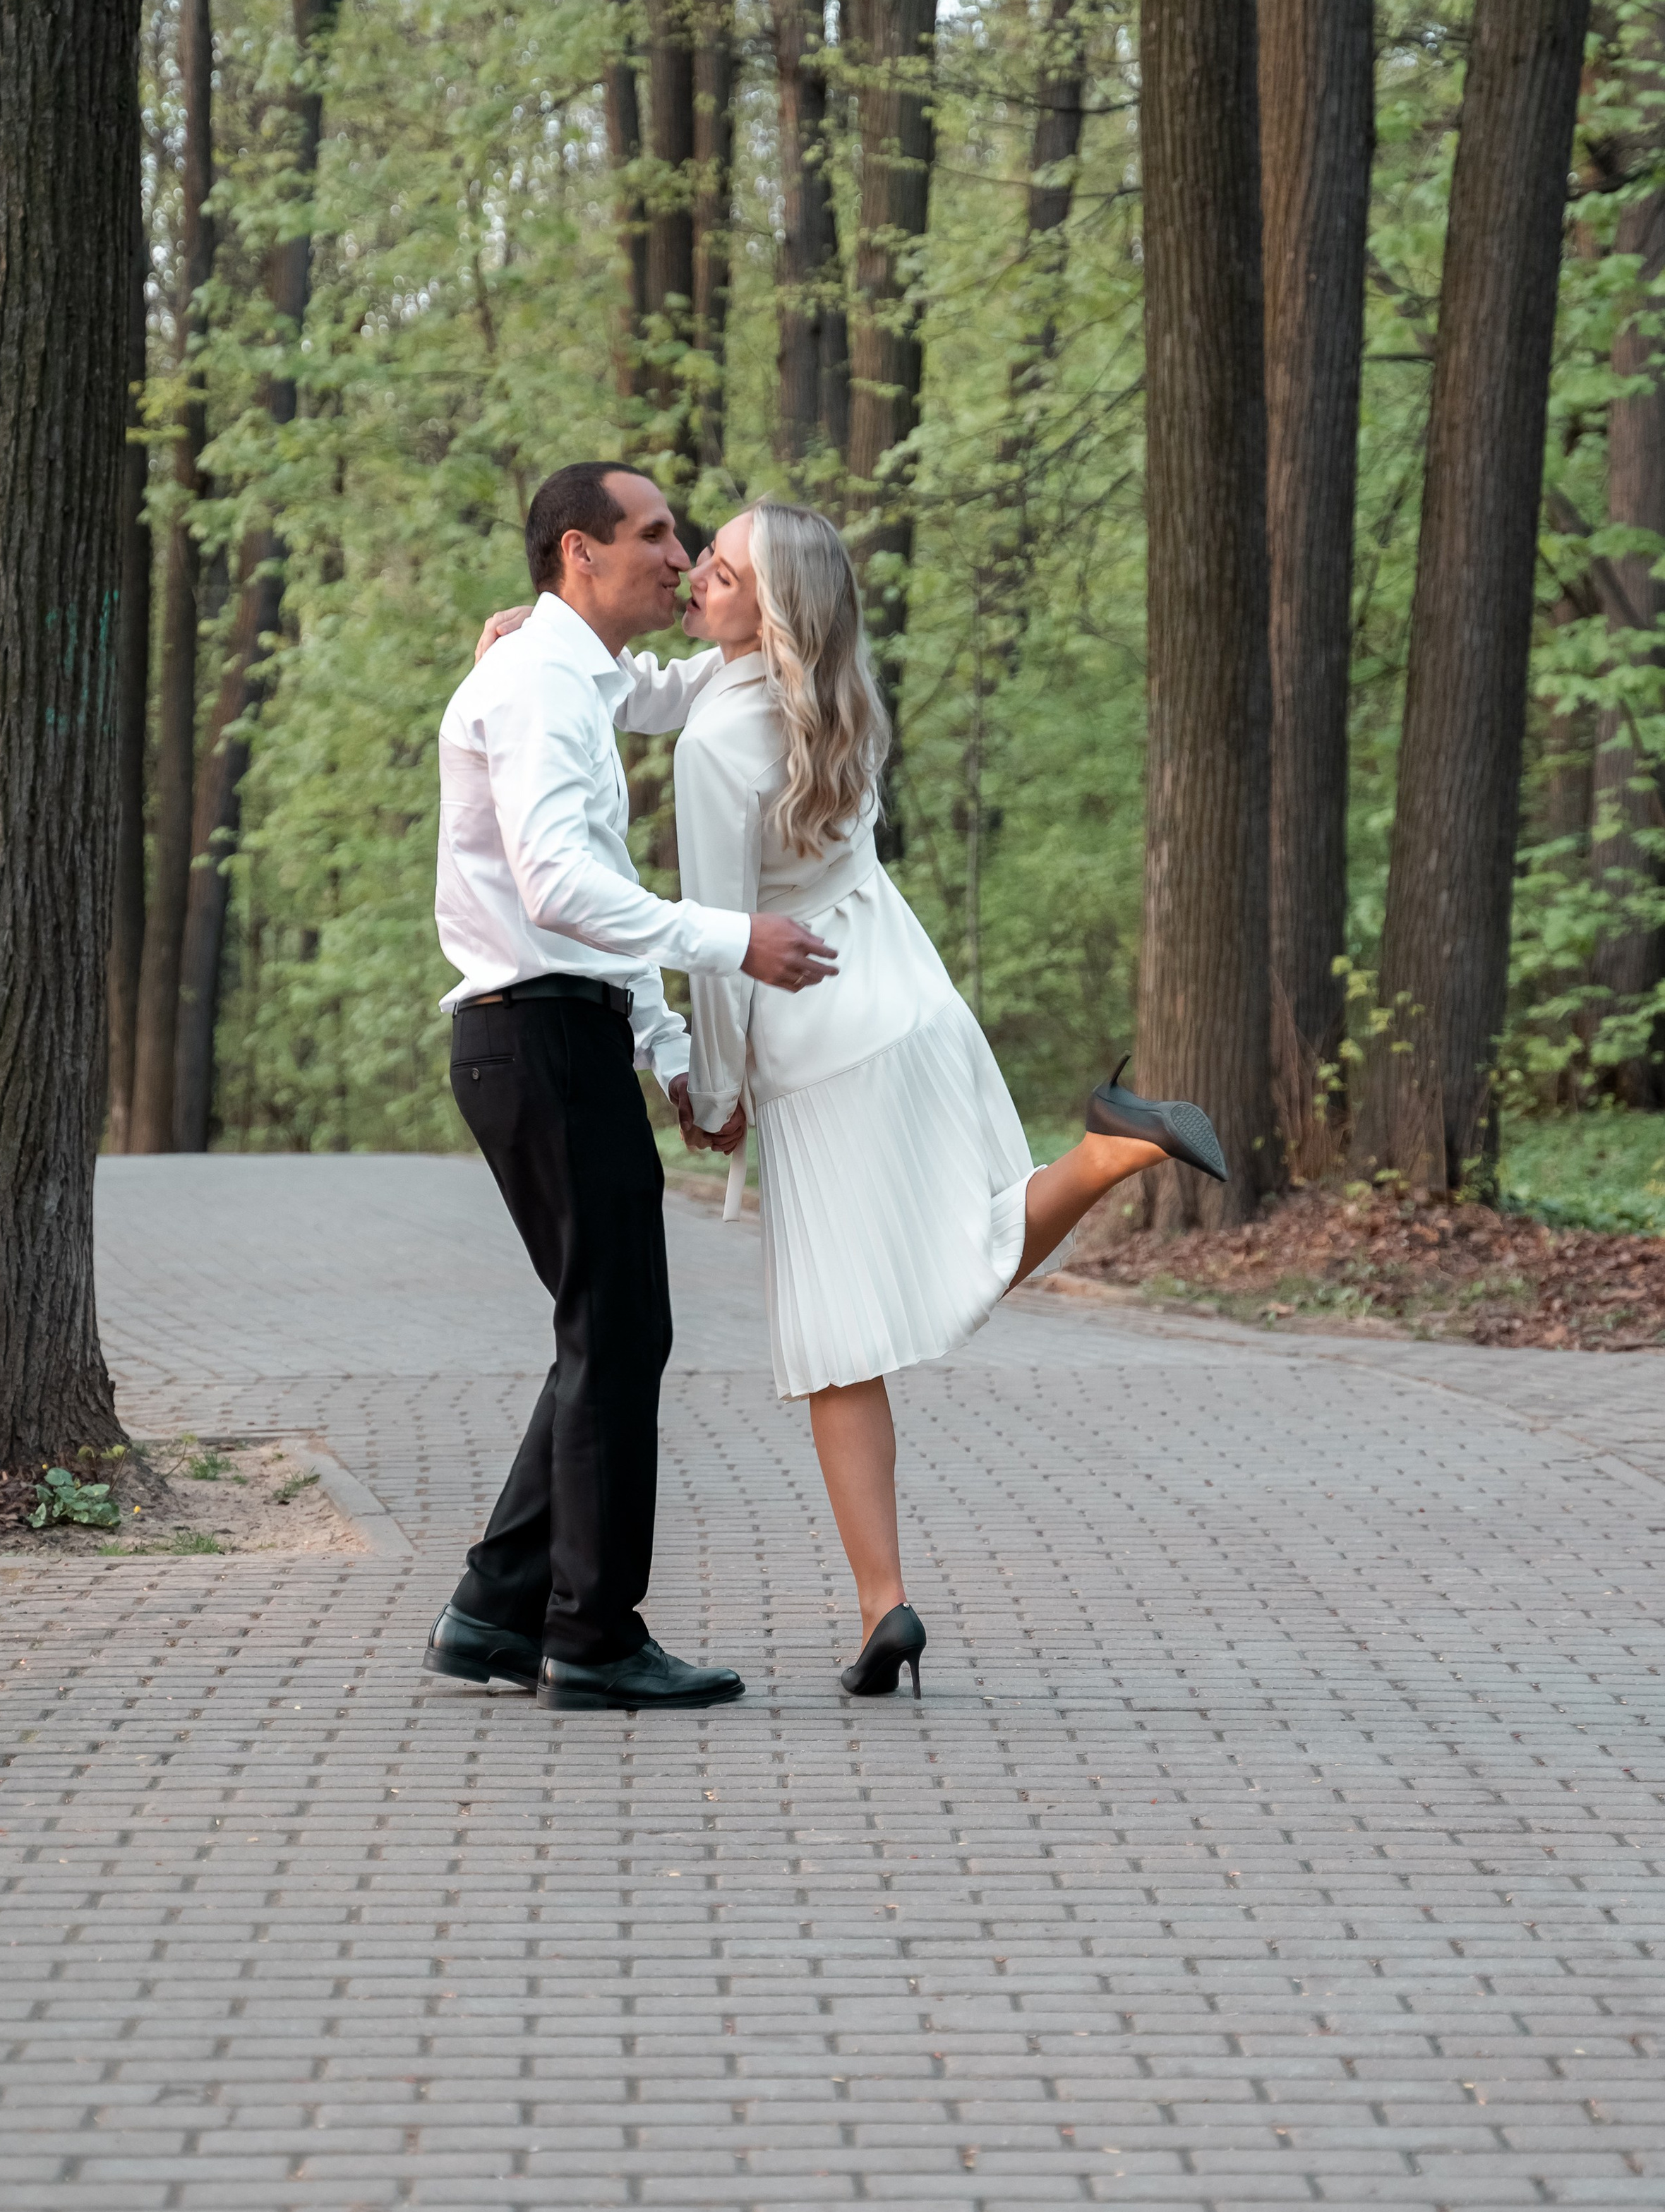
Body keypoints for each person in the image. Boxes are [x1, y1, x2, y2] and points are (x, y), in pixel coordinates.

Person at [476, 502, 1227, 1701]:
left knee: (836, 1340)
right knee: (943, 1250)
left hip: (822, 1034)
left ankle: (888, 1597)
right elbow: (654, 684)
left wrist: (709, 1090)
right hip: (910, 996)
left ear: (762, 608)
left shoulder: (718, 744)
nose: (694, 575)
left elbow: (726, 940)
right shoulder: (833, 697)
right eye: (698, 553)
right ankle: (1098, 1159)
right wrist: (540, 642)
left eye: (720, 567)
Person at [421, 463, 835, 1714]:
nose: (678, 553)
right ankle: (591, 1637)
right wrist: (731, 937)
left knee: (612, 1332)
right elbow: (559, 890)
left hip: (562, 1030)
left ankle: (495, 1610)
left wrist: (663, 1050)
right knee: (616, 1336)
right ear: (576, 555)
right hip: (534, 1035)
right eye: (654, 535)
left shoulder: (575, 675)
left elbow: (602, 858)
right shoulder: (543, 683)